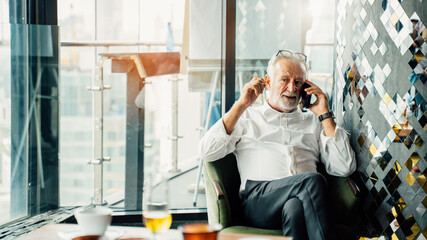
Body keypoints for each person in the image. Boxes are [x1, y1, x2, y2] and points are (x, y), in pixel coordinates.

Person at [199, 50, 356, 240]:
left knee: (295, 208)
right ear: (268, 81)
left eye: (298, 82)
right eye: (285, 80)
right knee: (311, 181)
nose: (292, 88)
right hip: (259, 202)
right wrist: (242, 104)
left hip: (302, 202)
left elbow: (344, 167)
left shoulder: (314, 123)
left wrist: (325, 115)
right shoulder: (248, 117)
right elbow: (207, 152)